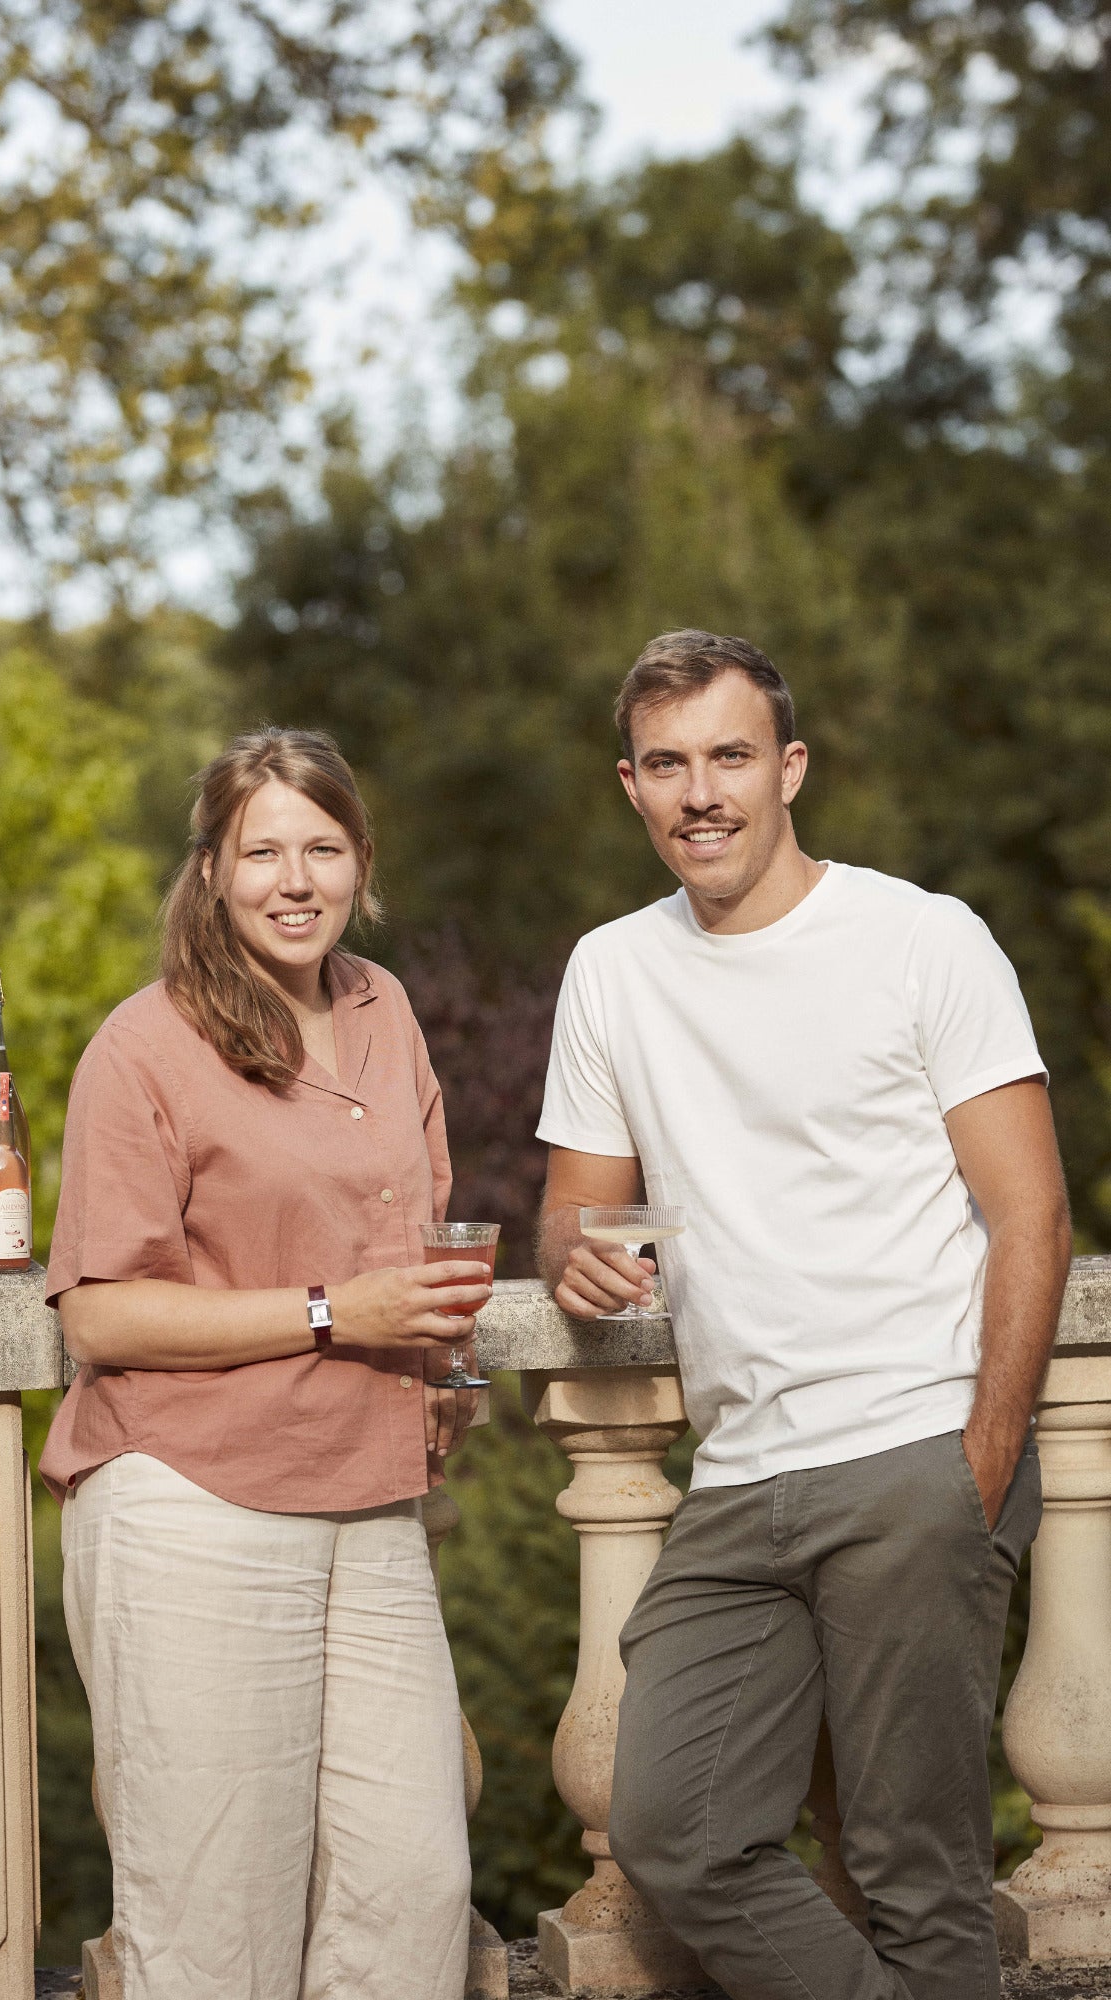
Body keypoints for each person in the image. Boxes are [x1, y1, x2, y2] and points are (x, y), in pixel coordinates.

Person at [536, 630, 1072, 2000]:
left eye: (728, 757)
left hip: (911, 1454)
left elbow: (1033, 1216)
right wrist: (577, 1265)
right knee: (679, 1831)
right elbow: (577, 1212)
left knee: (910, 1866)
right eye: (667, 766)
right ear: (629, 786)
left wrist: (981, 1460)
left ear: (790, 769)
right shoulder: (612, 970)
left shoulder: (921, 939)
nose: (699, 793)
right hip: (736, 1475)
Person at [39, 726, 488, 2000]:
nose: (295, 879)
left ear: (359, 863)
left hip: (370, 1497)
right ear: (210, 872)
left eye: (323, 848)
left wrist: (445, 1366)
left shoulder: (382, 1007)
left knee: (410, 1894)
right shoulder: (146, 1045)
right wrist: (337, 1309)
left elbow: (417, 1233)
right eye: (262, 851)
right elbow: (103, 1317)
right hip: (195, 1499)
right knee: (216, 1920)